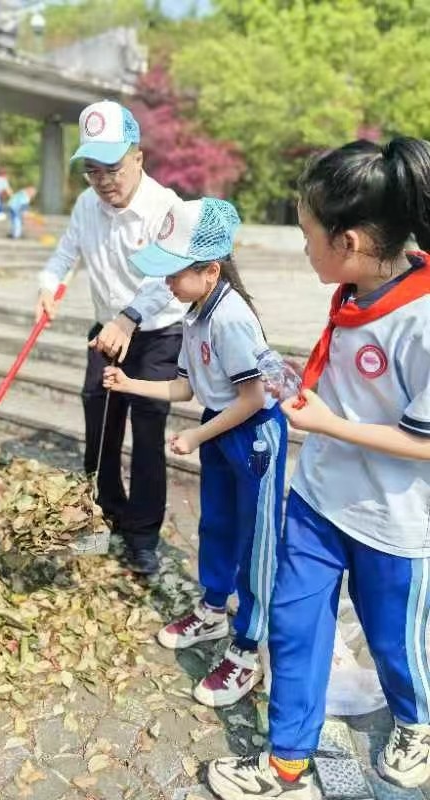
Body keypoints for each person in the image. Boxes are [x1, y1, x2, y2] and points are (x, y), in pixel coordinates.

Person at [207, 137, 430, 800]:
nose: (304, 248)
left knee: (394, 643)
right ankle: (287, 766)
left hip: (392, 521)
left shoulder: (421, 321)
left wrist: (328, 423)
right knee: (293, 627)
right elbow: (348, 385)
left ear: (350, 241)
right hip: (317, 500)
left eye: (309, 235)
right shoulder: (356, 289)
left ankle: (416, 723)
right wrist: (297, 387)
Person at [104, 197, 287, 707]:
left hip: (252, 436)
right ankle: (212, 609)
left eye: (175, 272)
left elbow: (254, 399)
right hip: (218, 428)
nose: (167, 282)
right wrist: (129, 383)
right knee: (217, 526)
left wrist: (196, 437)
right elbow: (183, 388)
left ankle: (248, 647)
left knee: (256, 543)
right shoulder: (194, 313)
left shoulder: (231, 318)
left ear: (210, 271)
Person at [35, 99, 186, 575]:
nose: (103, 181)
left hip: (157, 334)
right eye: (93, 171)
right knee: (99, 423)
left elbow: (168, 278)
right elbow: (65, 255)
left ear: (138, 157)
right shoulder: (87, 205)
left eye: (113, 168)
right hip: (106, 331)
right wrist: (48, 285)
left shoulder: (165, 207)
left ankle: (142, 535)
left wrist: (129, 318)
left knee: (147, 431)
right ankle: (102, 514)